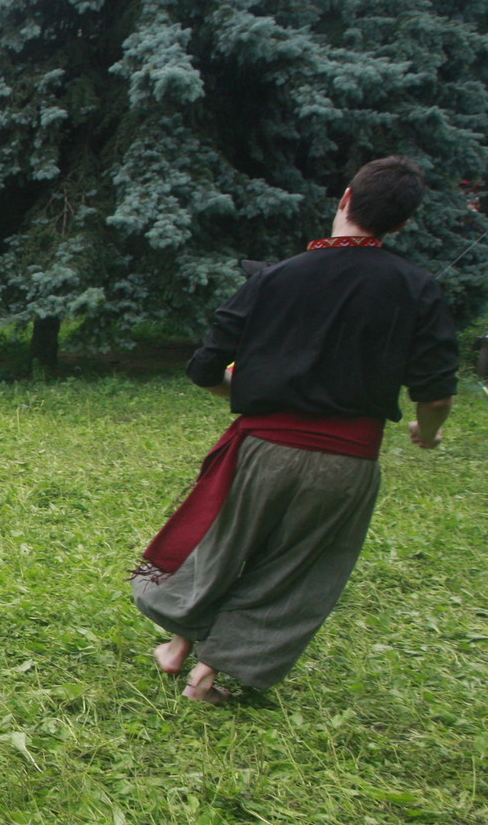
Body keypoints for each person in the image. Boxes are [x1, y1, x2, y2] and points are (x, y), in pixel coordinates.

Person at [134, 156, 457, 703]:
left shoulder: (275, 277)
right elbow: (436, 391)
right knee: (293, 568)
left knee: (228, 546)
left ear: (345, 199)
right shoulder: (416, 286)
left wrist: (249, 398)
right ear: (401, 224)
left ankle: (182, 646)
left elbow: (204, 369)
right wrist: (430, 431)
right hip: (348, 460)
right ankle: (201, 670)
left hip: (260, 449)